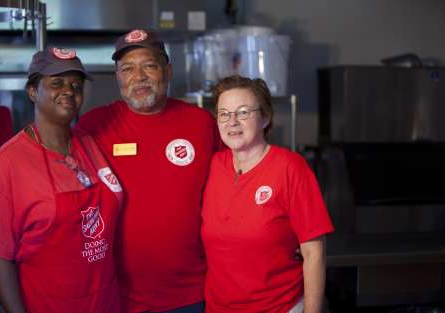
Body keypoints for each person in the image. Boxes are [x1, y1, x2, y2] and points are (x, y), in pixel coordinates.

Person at [76, 29, 221, 313]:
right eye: (127, 69)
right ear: (118, 76)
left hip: (190, 292)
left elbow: (234, 187)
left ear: (168, 71)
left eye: (149, 66)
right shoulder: (95, 126)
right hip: (116, 294)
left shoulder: (201, 123)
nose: (138, 76)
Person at [0, 48, 123, 313]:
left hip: (106, 302)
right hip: (48, 304)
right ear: (33, 92)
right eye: (56, 83)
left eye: (75, 85)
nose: (68, 90)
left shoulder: (89, 143)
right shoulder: (9, 162)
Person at [201, 75, 334, 313]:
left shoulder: (290, 168)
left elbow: (314, 252)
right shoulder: (213, 166)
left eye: (243, 112)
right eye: (224, 114)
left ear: (265, 117)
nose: (232, 122)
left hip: (279, 306)